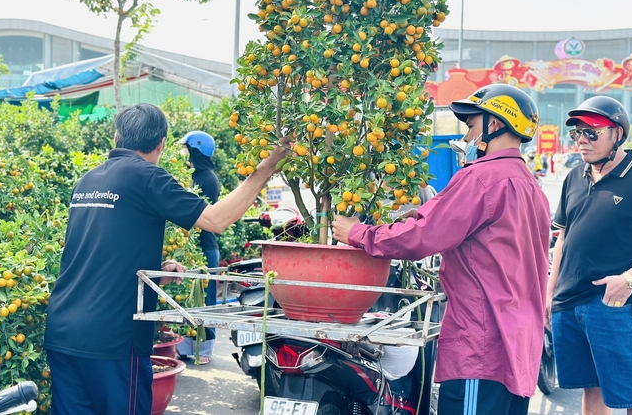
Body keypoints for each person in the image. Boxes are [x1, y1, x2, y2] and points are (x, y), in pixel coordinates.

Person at [43, 103, 287, 415]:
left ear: (116, 137)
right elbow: (215, 220)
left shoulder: (88, 181)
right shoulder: (147, 177)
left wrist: (155, 272)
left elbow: (95, 251)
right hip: (113, 339)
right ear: (160, 144)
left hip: (63, 329)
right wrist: (264, 170)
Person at [332, 84, 550, 415]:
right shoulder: (530, 186)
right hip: (518, 345)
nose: (466, 137)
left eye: (471, 125)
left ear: (493, 125)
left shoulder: (481, 178)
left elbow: (422, 237)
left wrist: (359, 233)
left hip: (483, 344)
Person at [547, 96, 632, 415]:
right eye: (577, 132)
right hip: (569, 302)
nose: (582, 140)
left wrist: (628, 281)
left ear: (617, 133)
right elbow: (563, 237)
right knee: (591, 388)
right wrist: (550, 293)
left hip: (615, 304)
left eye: (592, 132)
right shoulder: (575, 175)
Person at [176, 130, 220, 364]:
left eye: (187, 149)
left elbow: (199, 214)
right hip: (190, 247)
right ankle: (185, 348)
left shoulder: (208, 179)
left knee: (206, 300)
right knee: (186, 298)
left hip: (205, 247)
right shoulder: (191, 176)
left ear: (196, 151)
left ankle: (204, 350)